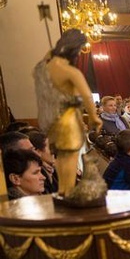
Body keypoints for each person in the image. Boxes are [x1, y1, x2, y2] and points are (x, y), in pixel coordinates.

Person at [33, 29, 101, 197]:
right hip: (68, 118)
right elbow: (86, 96)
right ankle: (68, 191)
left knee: (61, 156)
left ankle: (62, 190)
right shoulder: (71, 72)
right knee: (71, 155)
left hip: (53, 119)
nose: (78, 54)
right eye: (78, 50)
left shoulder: (44, 68)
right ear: (73, 49)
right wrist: (94, 117)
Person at [27, 129, 58, 194]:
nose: (53, 151)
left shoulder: (52, 169)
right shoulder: (39, 173)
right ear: (38, 152)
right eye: (50, 148)